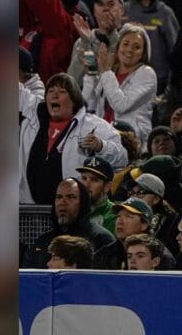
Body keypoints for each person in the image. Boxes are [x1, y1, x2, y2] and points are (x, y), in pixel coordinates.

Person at [19, 73, 127, 204]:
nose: (55, 95)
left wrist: (101, 146)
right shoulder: (32, 117)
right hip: (30, 210)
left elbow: (122, 158)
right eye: (51, 91)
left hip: (72, 212)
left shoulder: (93, 125)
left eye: (62, 91)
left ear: (74, 99)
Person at [81, 23, 157, 146]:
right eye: (125, 44)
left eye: (136, 47)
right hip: (103, 140)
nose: (129, 50)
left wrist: (105, 71)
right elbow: (89, 104)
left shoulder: (146, 74)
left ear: (143, 53)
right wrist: (91, 74)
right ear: (118, 47)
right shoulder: (111, 72)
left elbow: (121, 105)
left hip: (131, 143)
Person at [22, 178, 115, 268]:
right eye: (59, 197)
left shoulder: (101, 239)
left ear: (83, 202)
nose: (62, 202)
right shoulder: (42, 241)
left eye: (70, 197)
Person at [124, 0, 179, 94]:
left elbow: (175, 52)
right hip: (127, 81)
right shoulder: (124, 11)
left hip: (158, 83)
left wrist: (170, 84)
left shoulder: (165, 14)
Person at [65, 0, 125, 86]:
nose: (106, 8)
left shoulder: (126, 42)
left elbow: (111, 79)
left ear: (121, 10)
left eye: (111, 4)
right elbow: (73, 82)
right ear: (94, 11)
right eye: (100, 4)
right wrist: (86, 46)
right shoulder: (82, 42)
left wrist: (113, 38)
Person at [95, 197, 175, 270]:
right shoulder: (104, 255)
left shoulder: (162, 257)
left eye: (128, 216)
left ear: (144, 225)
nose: (120, 221)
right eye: (118, 216)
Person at [76, 156, 117, 234]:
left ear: (107, 187)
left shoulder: (113, 215)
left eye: (94, 180)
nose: (86, 185)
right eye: (84, 178)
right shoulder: (75, 210)